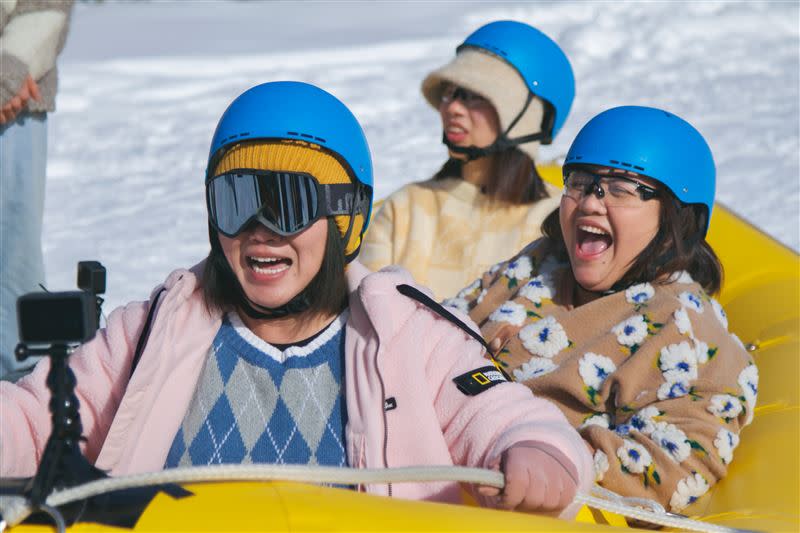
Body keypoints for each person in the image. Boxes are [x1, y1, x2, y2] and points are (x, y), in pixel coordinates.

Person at [1, 81, 593, 516]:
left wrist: (536, 453)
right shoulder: (157, 328)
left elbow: (501, 415)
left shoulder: (403, 331)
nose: (261, 228)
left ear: (346, 220)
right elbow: (36, 423)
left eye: (288, 202)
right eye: (237, 200)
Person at [452, 106, 757, 513]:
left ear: (677, 218)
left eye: (621, 188)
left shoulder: (684, 329)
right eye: (581, 183)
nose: (592, 203)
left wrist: (551, 455)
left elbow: (675, 463)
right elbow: (445, 323)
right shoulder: (536, 269)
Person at [360, 20, 574, 301]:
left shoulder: (560, 219)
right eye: (450, 93)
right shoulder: (406, 208)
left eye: (475, 96)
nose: (453, 107)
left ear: (530, 115)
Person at [0, 0, 75, 380]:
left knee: (11, 258)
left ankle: (18, 404)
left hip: (12, 108)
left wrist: (7, 72)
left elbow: (44, 6)